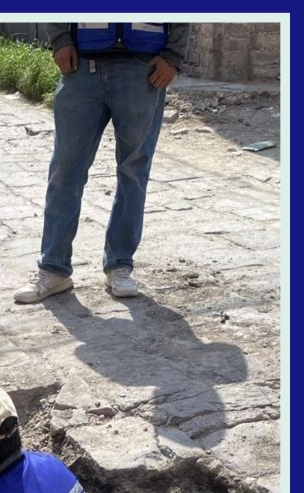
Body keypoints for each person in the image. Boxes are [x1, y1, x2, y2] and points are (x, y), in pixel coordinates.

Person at [14, 22, 192, 304]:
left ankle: (120, 264)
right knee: (65, 170)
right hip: (81, 68)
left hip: (142, 71)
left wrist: (173, 56)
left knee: (133, 171)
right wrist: (60, 39)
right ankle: (53, 269)